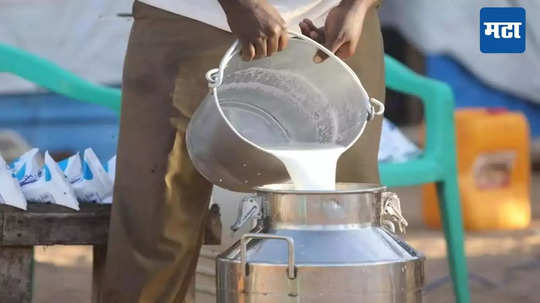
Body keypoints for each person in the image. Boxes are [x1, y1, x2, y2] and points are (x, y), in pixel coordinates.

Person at [103, 0, 385, 302]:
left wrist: (358, 6)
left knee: (347, 226)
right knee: (158, 223)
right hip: (194, 17)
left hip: (334, 22)